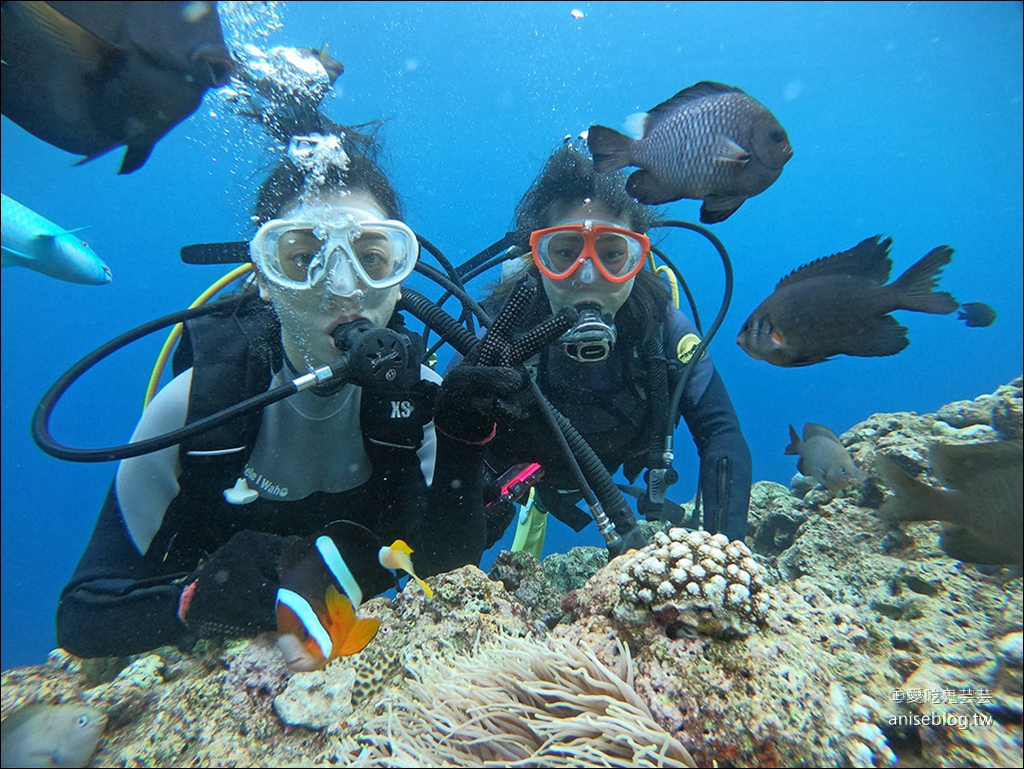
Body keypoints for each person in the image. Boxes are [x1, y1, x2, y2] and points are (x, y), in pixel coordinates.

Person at [56, 132, 490, 658]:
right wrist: (193, 602)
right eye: (303, 258)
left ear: (400, 279)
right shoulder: (197, 406)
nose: (343, 287)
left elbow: (450, 571)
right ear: (264, 277)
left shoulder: (423, 404)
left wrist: (467, 441)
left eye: (372, 259)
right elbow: (82, 616)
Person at [435, 142, 752, 555]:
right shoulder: (501, 333)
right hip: (517, 471)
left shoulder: (664, 330)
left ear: (637, 257)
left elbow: (721, 433)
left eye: (612, 255)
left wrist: (727, 556)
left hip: (611, 463)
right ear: (537, 256)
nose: (587, 276)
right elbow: (440, 450)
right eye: (564, 252)